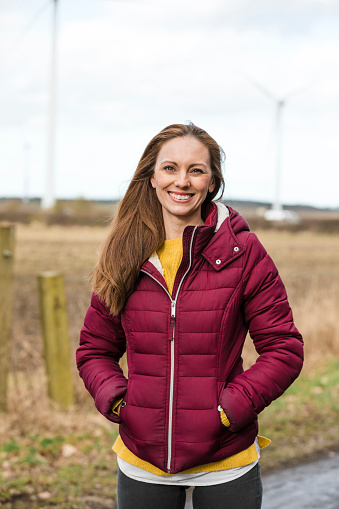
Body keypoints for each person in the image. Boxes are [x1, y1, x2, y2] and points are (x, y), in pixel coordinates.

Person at [76, 123, 303, 509]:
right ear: (151, 176)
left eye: (196, 170)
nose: (182, 181)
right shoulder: (125, 252)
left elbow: (284, 348)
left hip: (227, 463)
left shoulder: (243, 252)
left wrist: (230, 410)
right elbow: (94, 350)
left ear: (212, 181)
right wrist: (120, 403)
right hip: (141, 463)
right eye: (170, 168)